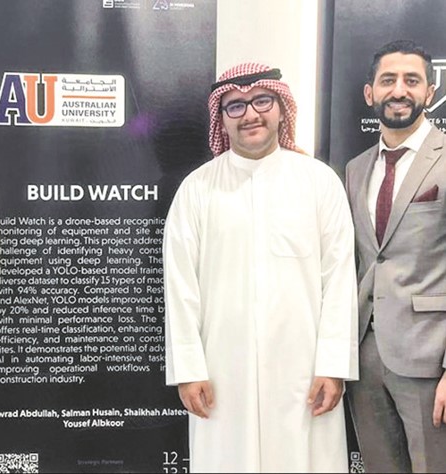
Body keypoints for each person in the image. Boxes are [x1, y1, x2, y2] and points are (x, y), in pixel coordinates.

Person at [162, 62, 358, 472]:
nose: (250, 114)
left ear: (282, 109)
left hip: (304, 373)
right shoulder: (197, 189)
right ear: (222, 119)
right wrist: (189, 370)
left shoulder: (319, 182)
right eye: (235, 106)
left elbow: (339, 278)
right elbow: (180, 288)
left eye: (262, 101)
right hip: (222, 373)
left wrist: (333, 365)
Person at [345, 39, 446, 473]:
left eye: (411, 80)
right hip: (364, 359)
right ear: (370, 93)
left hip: (430, 361)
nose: (399, 90)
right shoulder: (355, 169)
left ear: (430, 91)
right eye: (388, 80)